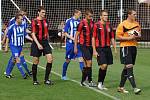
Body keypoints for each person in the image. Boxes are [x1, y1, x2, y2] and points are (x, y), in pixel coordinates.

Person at [116, 8, 141, 94]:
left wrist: (137, 35)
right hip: (125, 47)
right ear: (129, 15)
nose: (135, 16)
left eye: (135, 14)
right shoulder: (122, 24)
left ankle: (120, 87)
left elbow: (138, 34)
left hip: (133, 47)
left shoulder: (137, 24)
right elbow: (118, 37)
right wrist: (128, 38)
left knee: (127, 67)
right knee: (129, 66)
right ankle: (135, 88)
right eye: (134, 14)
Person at [3, 8, 32, 78]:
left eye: (25, 15)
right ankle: (24, 74)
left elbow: (25, 32)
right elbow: (8, 33)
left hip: (20, 45)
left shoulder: (23, 22)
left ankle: (8, 73)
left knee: (14, 59)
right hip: (14, 45)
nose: (24, 16)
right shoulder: (12, 22)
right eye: (23, 14)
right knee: (18, 58)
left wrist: (32, 35)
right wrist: (5, 43)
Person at [92, 10, 117, 90]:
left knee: (106, 66)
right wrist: (94, 50)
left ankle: (101, 83)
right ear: (101, 16)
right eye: (104, 15)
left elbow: (112, 37)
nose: (106, 16)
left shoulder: (109, 25)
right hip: (99, 48)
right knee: (104, 65)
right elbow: (93, 38)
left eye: (107, 15)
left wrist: (115, 48)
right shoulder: (96, 25)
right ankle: (99, 83)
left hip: (107, 48)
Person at [31, 6, 53, 85]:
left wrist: (48, 41)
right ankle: (35, 80)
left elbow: (46, 32)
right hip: (37, 42)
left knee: (50, 59)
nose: (44, 14)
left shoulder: (46, 21)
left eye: (44, 12)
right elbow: (33, 34)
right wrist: (38, 44)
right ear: (38, 12)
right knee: (36, 61)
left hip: (45, 42)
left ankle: (46, 79)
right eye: (42, 12)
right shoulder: (34, 21)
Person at [74, 8, 96, 87]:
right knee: (89, 62)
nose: (91, 18)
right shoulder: (81, 23)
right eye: (89, 16)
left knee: (87, 65)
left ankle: (83, 81)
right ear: (86, 15)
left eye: (92, 16)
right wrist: (75, 47)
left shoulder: (93, 23)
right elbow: (76, 35)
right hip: (83, 46)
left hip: (90, 46)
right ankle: (90, 81)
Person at [61, 9, 84, 80]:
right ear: (75, 13)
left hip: (78, 44)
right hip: (70, 44)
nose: (80, 15)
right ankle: (63, 75)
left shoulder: (80, 22)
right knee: (68, 60)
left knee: (81, 59)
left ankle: (84, 77)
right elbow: (65, 33)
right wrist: (73, 38)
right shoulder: (69, 21)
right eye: (79, 13)